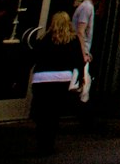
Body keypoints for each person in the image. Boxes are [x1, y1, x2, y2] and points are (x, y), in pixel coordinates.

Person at [28, 11, 84, 155]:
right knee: (54, 113)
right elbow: (78, 60)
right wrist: (81, 77)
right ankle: (49, 144)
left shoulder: (44, 39)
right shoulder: (72, 40)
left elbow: (33, 58)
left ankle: (41, 143)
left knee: (42, 112)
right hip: (61, 78)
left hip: (41, 78)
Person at [72, 0, 101, 111]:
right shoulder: (87, 7)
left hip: (83, 48)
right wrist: (84, 52)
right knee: (83, 83)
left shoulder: (88, 7)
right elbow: (80, 31)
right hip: (81, 49)